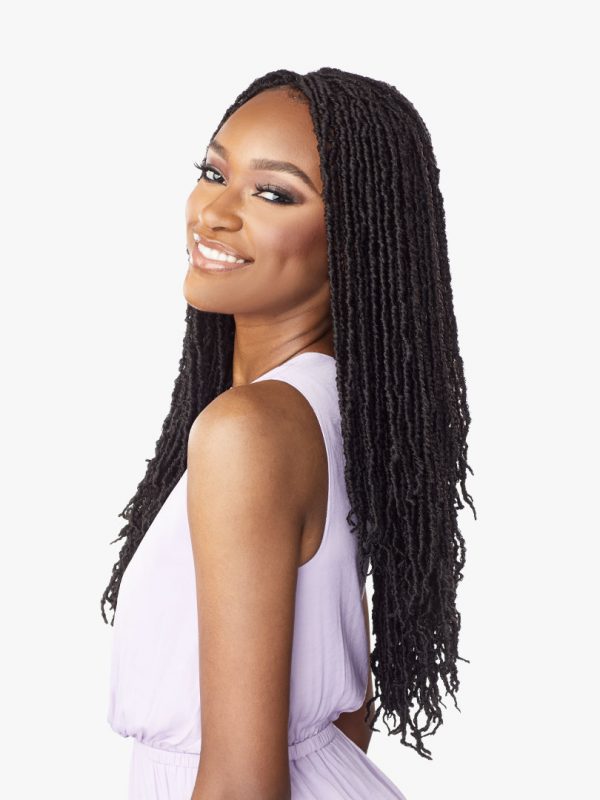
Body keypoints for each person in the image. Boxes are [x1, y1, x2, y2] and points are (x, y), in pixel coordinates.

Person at [101, 67, 476, 799]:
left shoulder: (250, 433)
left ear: (356, 237)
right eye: (214, 173)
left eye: (273, 193)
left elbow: (242, 785)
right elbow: (347, 716)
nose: (213, 213)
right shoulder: (340, 407)